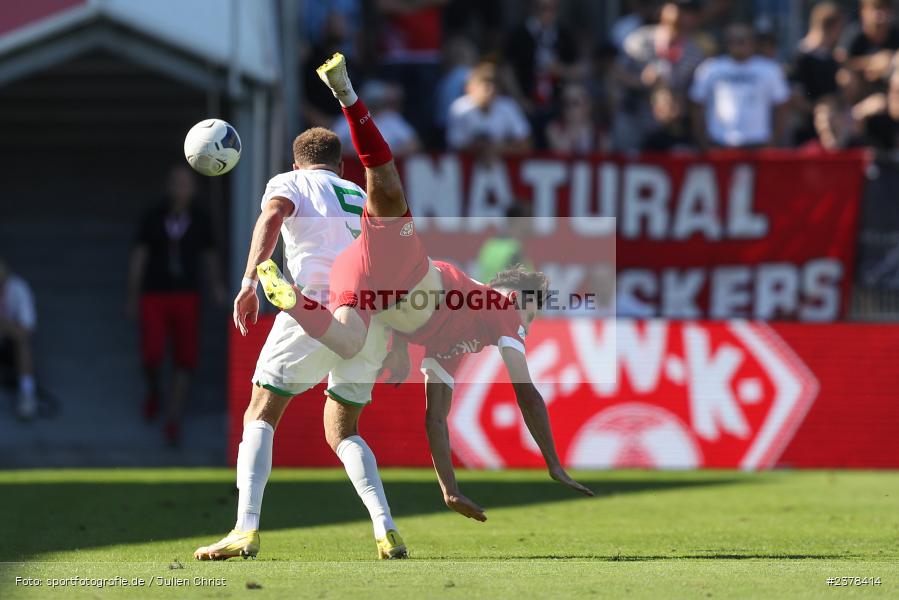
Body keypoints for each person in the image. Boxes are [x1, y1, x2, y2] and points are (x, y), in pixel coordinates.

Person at [258, 52, 593, 522]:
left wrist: (449, 490)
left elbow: (435, 419)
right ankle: (348, 96)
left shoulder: (453, 346)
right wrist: (554, 464)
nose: (529, 323)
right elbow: (527, 392)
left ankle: (293, 301)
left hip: (362, 284)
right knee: (386, 185)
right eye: (533, 311)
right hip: (406, 271)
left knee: (350, 339)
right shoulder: (503, 309)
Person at [194, 128, 407, 562]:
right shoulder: (356, 192)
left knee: (261, 410)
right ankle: (385, 527)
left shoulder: (288, 182)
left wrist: (250, 280)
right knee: (344, 429)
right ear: (341, 165)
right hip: (369, 314)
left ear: (297, 164)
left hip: (317, 305)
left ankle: (244, 528)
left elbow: (273, 216)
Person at [126, 166, 226, 445]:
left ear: (193, 188)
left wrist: (217, 285)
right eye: (176, 183)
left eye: (186, 184)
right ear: (168, 187)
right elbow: (140, 256)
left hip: (187, 295)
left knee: (185, 358)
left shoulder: (201, 218)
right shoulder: (154, 217)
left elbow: (210, 254)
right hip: (155, 293)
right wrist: (132, 295)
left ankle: (172, 417)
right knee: (153, 353)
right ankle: (154, 389)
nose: (181, 189)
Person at [614, 0, 705, 150]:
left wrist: (678, 103)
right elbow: (616, 73)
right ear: (664, 10)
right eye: (677, 9)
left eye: (688, 11)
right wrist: (641, 81)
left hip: (671, 125)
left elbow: (695, 93)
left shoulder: (695, 52)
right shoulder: (640, 40)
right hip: (635, 116)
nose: (681, 15)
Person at [689, 24, 790, 149]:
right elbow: (697, 104)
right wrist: (702, 141)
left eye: (742, 40)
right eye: (733, 40)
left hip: (758, 143)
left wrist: (774, 140)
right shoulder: (710, 68)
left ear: (753, 42)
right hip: (719, 142)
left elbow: (781, 107)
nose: (737, 45)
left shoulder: (770, 69)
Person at [446, 62, 532, 156]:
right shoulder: (460, 109)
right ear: (469, 87)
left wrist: (497, 149)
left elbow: (525, 143)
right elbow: (454, 146)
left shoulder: (508, 106)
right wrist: (482, 149)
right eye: (485, 85)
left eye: (494, 85)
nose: (490, 90)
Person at [791, 2, 844, 144]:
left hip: (830, 131)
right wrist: (818, 112)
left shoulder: (831, 58)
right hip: (805, 133)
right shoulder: (800, 58)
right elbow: (795, 98)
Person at [331, 80, 420, 157]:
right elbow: (333, 145)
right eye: (371, 102)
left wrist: (384, 155)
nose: (374, 107)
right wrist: (359, 155)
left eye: (377, 102)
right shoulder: (348, 118)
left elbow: (414, 144)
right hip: (353, 171)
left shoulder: (392, 118)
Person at [0, 258, 38, 420]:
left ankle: (27, 393)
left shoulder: (19, 288)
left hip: (10, 342)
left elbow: (27, 329)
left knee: (23, 344)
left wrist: (4, 326)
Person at [841, 0, 899, 87]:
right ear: (864, 12)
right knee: (846, 77)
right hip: (861, 83)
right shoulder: (854, 33)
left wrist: (891, 59)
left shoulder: (895, 32)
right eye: (876, 8)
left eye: (885, 8)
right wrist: (871, 62)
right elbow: (840, 61)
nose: (880, 15)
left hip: (888, 83)